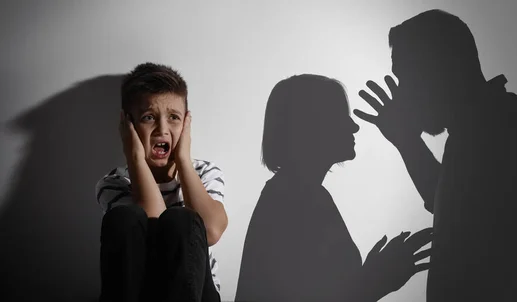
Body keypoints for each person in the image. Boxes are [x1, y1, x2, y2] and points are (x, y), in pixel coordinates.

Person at [355, 9, 517, 302]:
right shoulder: (485, 127)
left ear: (439, 67)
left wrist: (407, 141)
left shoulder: (503, 125)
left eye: (407, 76)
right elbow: (456, 207)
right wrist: (406, 141)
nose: (403, 94)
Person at [235, 74, 433, 302]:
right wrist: (374, 280)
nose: (354, 126)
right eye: (340, 116)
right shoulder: (293, 200)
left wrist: (373, 278)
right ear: (310, 125)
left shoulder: (299, 194)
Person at [95, 62, 228, 302]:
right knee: (123, 217)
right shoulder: (115, 182)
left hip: (197, 295)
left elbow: (211, 231)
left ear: (186, 124)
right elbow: (155, 233)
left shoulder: (205, 171)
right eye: (148, 118)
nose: (162, 130)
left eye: (174, 118)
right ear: (129, 126)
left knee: (183, 220)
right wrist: (134, 156)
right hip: (141, 293)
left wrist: (184, 161)